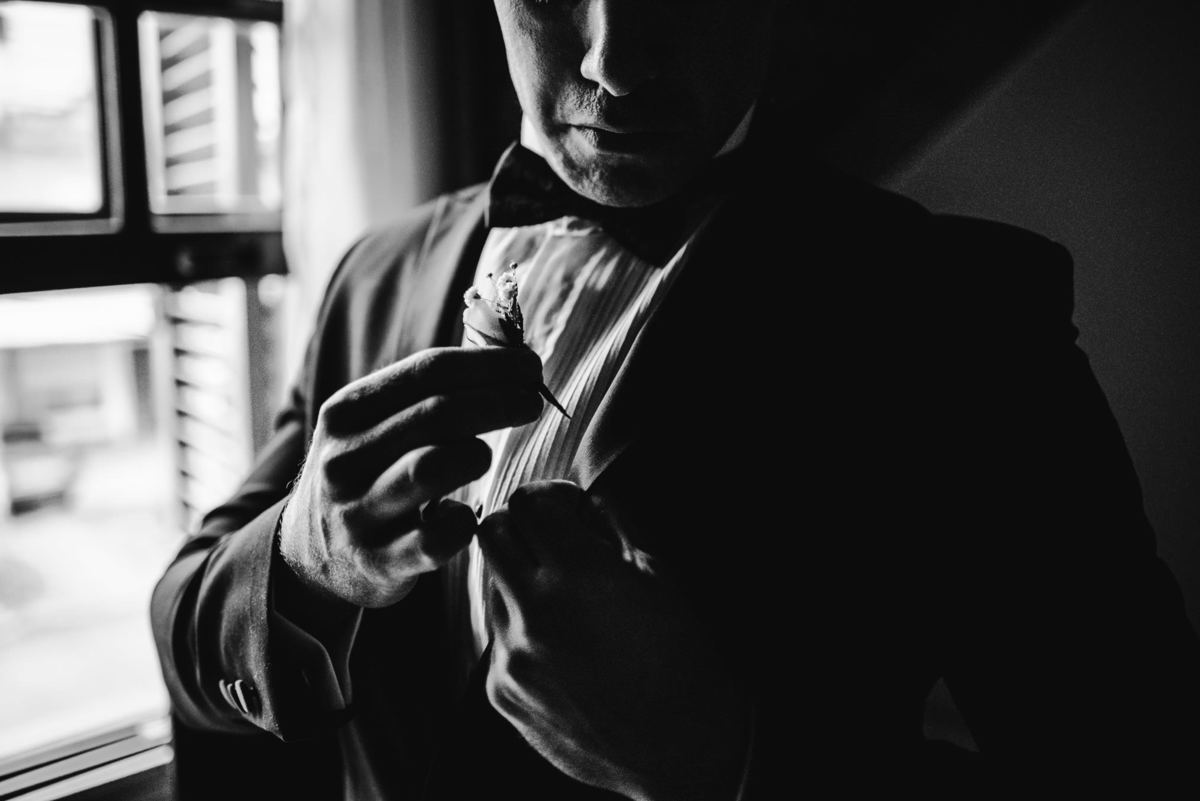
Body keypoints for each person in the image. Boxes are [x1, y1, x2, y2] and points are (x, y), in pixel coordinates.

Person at [151, 1, 1200, 798]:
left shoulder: (966, 318)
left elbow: (1139, 763)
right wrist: (303, 559)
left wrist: (731, 764)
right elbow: (185, 631)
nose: (616, 60)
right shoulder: (369, 275)